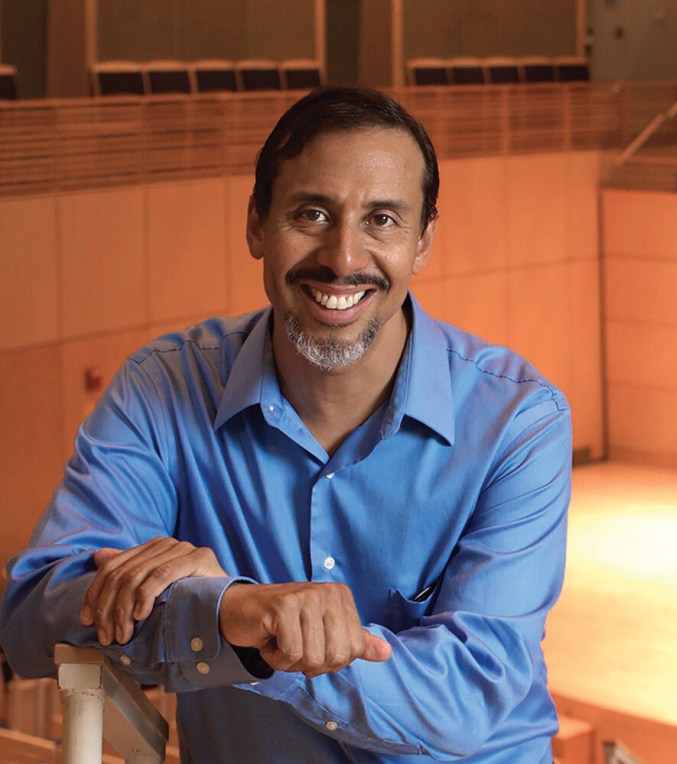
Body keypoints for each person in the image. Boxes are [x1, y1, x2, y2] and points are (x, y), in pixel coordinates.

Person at [0, 86, 572, 763]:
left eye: (381, 220)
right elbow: (35, 616)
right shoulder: (163, 388)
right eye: (312, 213)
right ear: (255, 225)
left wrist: (243, 632)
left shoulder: (518, 421)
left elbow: (466, 699)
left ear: (422, 243)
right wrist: (236, 612)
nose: (344, 256)